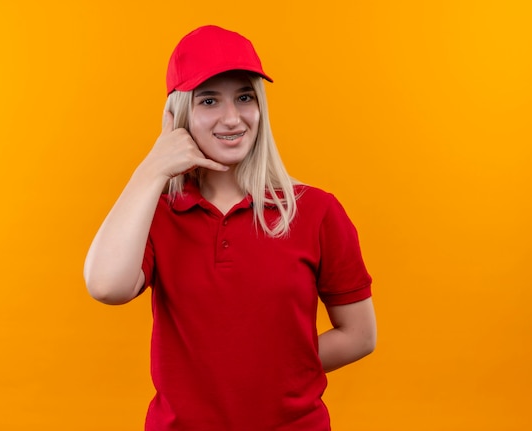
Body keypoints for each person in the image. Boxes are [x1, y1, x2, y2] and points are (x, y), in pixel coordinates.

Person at [84, 25, 376, 431]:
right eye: (209, 101)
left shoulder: (315, 211)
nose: (232, 118)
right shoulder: (156, 213)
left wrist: (273, 372)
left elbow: (360, 335)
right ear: (178, 114)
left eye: (244, 97)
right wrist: (151, 168)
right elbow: (105, 286)